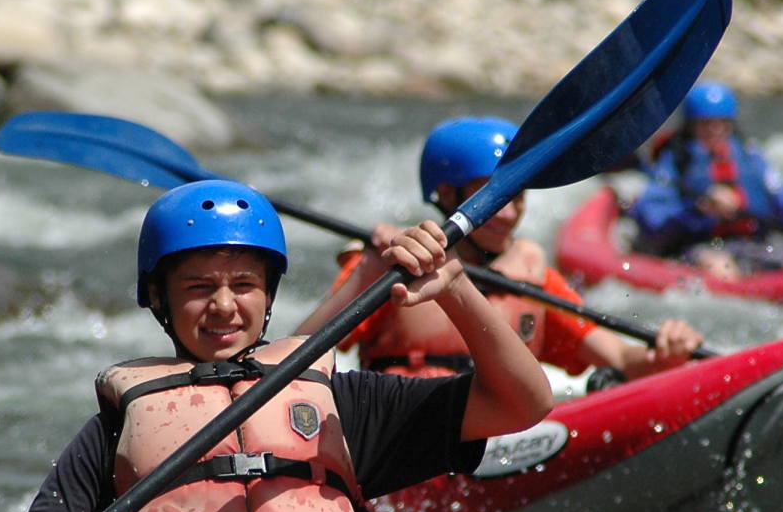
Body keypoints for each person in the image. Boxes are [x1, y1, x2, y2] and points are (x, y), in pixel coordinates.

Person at [0, 178, 554, 512]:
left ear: (269, 295)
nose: (224, 306)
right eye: (199, 287)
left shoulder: (335, 402)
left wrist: (453, 286)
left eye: (243, 285)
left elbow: (522, 403)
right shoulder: (119, 426)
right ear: (158, 297)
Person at [296, 116, 704, 390]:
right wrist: (368, 270)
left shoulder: (532, 275)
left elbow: (620, 357)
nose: (508, 214)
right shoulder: (395, 262)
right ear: (445, 195)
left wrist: (665, 355)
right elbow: (292, 356)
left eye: (516, 196)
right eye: (489, 199)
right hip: (407, 435)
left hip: (499, 435)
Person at [628, 82, 783, 279]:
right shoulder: (677, 161)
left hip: (754, 242)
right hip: (703, 244)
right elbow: (653, 222)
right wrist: (698, 211)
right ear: (691, 126)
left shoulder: (751, 158)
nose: (715, 131)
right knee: (721, 269)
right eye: (706, 125)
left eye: (721, 124)